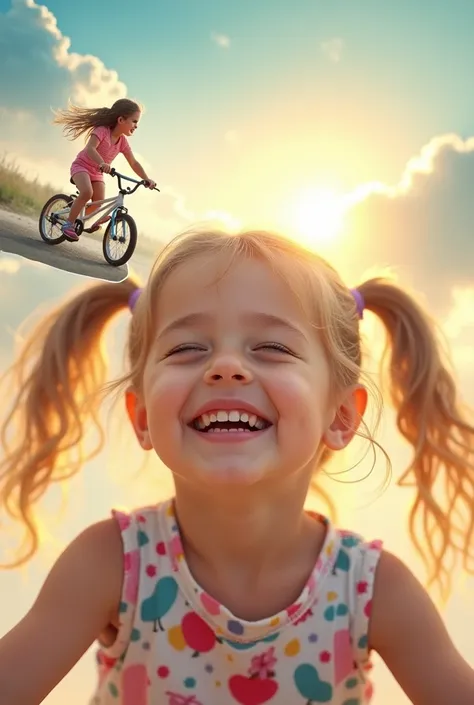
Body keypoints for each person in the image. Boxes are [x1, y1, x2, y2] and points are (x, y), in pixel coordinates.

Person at [0, 227, 474, 705]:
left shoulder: (373, 590)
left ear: (341, 416)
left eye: (273, 348)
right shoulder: (112, 565)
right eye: (186, 348)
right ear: (142, 417)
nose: (225, 366)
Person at [53, 98, 156, 242]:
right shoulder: (102, 131)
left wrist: (146, 178)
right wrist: (102, 163)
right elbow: (90, 148)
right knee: (87, 192)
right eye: (134, 121)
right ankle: (68, 224)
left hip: (97, 173)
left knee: (99, 202)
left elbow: (133, 162)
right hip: (82, 166)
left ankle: (80, 219)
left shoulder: (123, 142)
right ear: (121, 120)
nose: (136, 126)